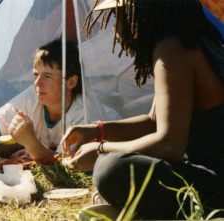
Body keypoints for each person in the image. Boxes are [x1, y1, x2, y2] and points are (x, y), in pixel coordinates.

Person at [61, 0, 224, 219]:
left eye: (118, 15)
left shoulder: (172, 50)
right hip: (209, 175)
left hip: (217, 185)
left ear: (140, 12)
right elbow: (154, 122)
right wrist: (97, 131)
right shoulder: (185, 40)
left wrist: (102, 150)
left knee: (111, 169)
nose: (113, 26)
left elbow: (169, 145)